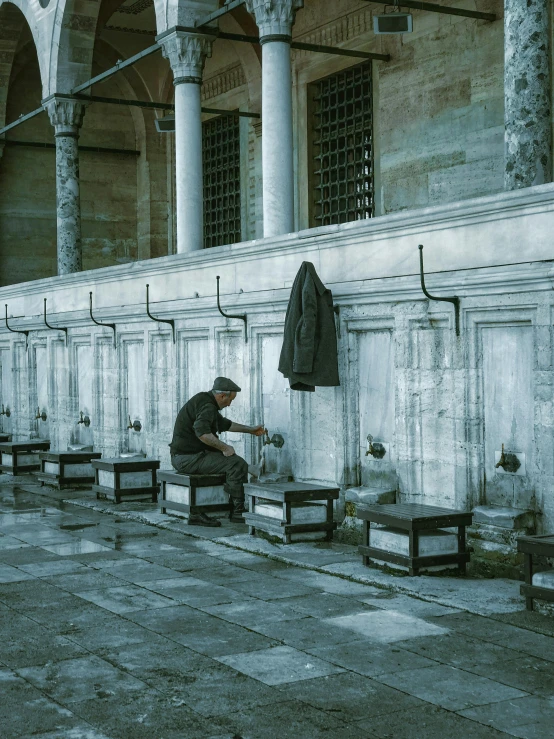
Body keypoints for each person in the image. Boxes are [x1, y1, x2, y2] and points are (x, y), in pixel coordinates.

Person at [170, 377, 266, 526]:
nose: (229, 404)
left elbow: (225, 424)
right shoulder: (208, 406)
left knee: (231, 460)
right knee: (236, 464)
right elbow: (202, 433)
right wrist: (225, 447)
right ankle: (238, 511)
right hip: (187, 458)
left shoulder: (204, 400)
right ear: (222, 396)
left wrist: (251, 430)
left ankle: (234, 500)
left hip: (183, 457)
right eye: (230, 400)